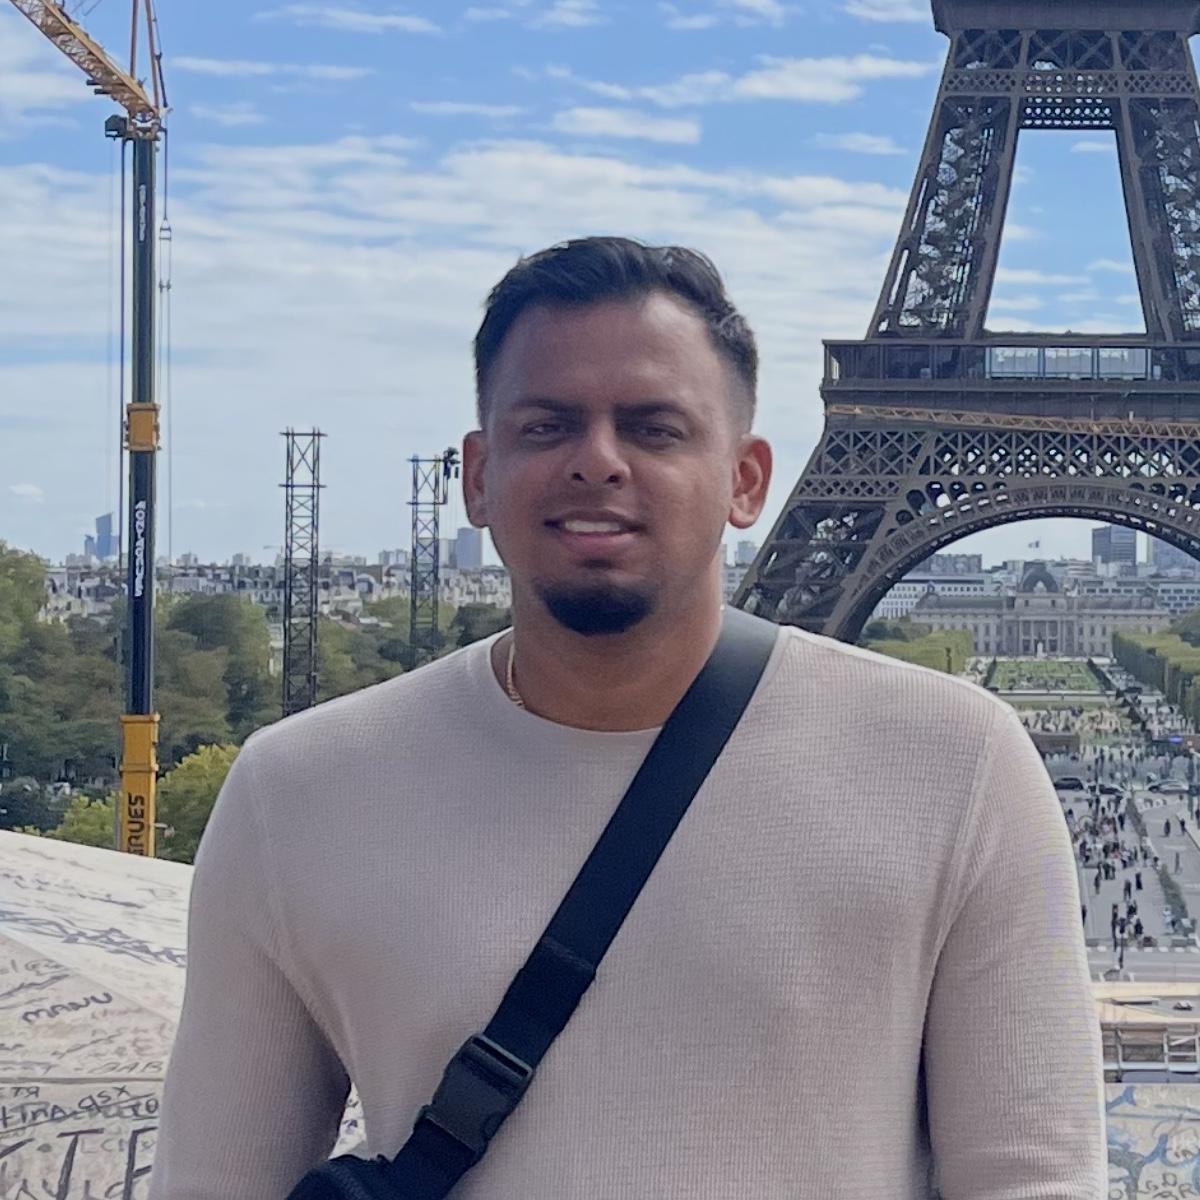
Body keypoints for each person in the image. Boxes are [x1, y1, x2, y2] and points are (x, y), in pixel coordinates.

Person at [147, 237, 1107, 1198]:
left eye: (654, 429)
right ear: (477, 475)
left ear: (746, 480)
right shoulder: (295, 793)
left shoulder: (959, 764)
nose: (597, 462)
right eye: (547, 427)